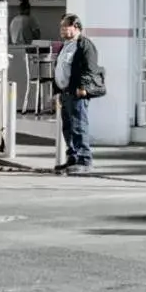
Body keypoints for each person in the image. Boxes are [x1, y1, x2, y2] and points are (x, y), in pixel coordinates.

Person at [53, 13, 103, 175]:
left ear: (76, 27)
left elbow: (90, 69)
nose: (61, 29)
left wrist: (82, 87)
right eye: (61, 26)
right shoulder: (65, 45)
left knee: (79, 126)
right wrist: (57, 91)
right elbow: (60, 68)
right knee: (68, 127)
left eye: (65, 26)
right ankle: (72, 157)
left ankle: (84, 159)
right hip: (65, 92)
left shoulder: (84, 45)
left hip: (77, 93)